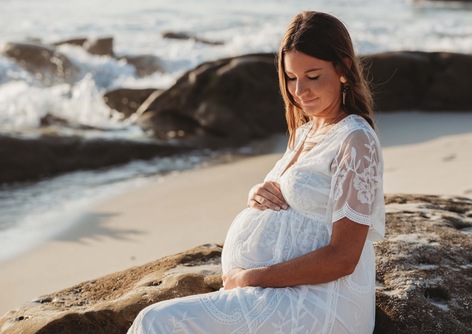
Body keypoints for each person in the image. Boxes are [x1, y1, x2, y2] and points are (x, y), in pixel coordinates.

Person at [128, 10, 384, 334]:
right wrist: (258, 193)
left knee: (156, 322)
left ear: (344, 68)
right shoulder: (305, 133)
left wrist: (249, 278)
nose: (300, 90)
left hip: (321, 302)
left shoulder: (356, 140)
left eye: (313, 75)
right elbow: (298, 197)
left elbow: (344, 256)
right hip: (280, 293)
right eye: (291, 77)